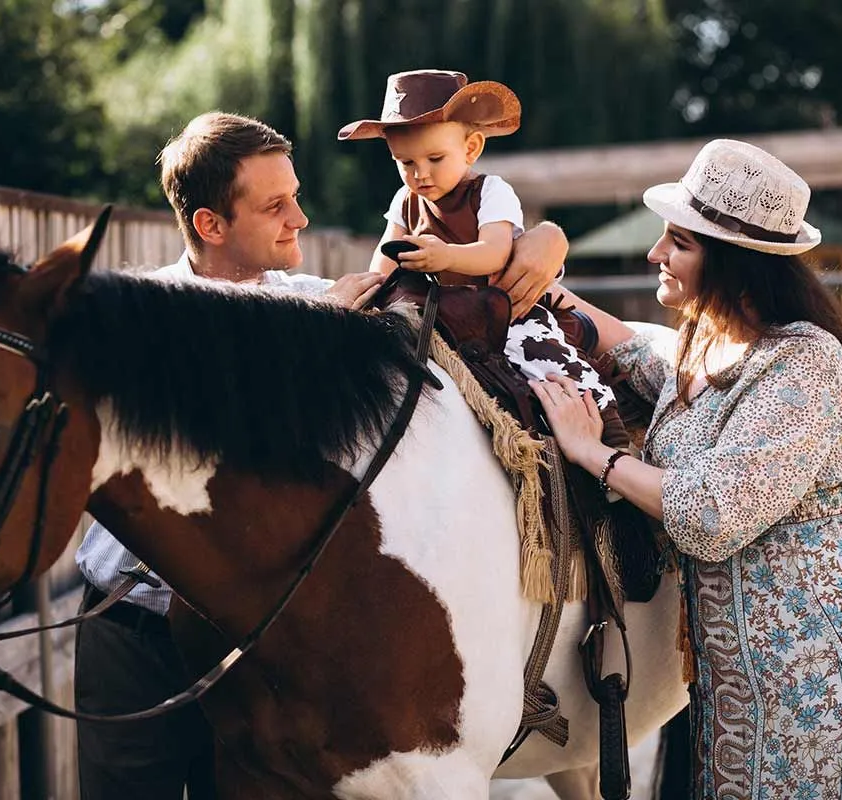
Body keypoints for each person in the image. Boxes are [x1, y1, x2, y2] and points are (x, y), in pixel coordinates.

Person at [73, 110, 569, 800]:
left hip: (255, 636)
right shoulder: (148, 321)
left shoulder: (321, 303)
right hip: (136, 627)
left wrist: (541, 239)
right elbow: (193, 451)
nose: (300, 219)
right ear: (211, 225)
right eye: (276, 205)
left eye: (296, 196)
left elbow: (442, 303)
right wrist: (304, 334)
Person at [531, 138, 842, 797]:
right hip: (742, 680)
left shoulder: (802, 363)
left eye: (679, 243)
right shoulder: (704, 342)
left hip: (823, 675)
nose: (656, 254)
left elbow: (711, 514)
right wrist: (528, 285)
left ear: (737, 265)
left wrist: (593, 454)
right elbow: (631, 350)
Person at [339, 68, 632, 456]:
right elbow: (382, 266)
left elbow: (494, 251)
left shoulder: (491, 191)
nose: (420, 174)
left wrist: (444, 256)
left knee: (548, 360)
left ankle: (612, 437)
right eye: (405, 163)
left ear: (471, 148)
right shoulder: (405, 201)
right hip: (441, 317)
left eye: (435, 158)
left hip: (504, 310)